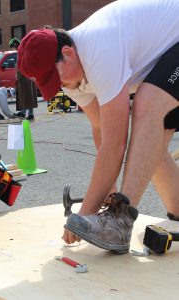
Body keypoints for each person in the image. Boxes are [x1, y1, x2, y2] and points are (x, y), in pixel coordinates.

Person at [17, 0, 179, 254]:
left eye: (56, 77)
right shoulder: (73, 77)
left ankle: (120, 221)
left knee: (147, 105)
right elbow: (102, 131)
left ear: (68, 52)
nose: (60, 86)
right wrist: (106, 193)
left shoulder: (99, 50)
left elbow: (116, 144)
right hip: (169, 50)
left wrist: (86, 213)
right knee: (147, 141)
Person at [9, 38, 37, 120]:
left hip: (24, 77)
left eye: (12, 47)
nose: (12, 49)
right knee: (30, 96)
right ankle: (30, 114)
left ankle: (23, 113)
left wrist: (18, 76)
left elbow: (20, 66)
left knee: (24, 96)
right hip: (30, 77)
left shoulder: (21, 52)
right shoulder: (25, 50)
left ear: (15, 46)